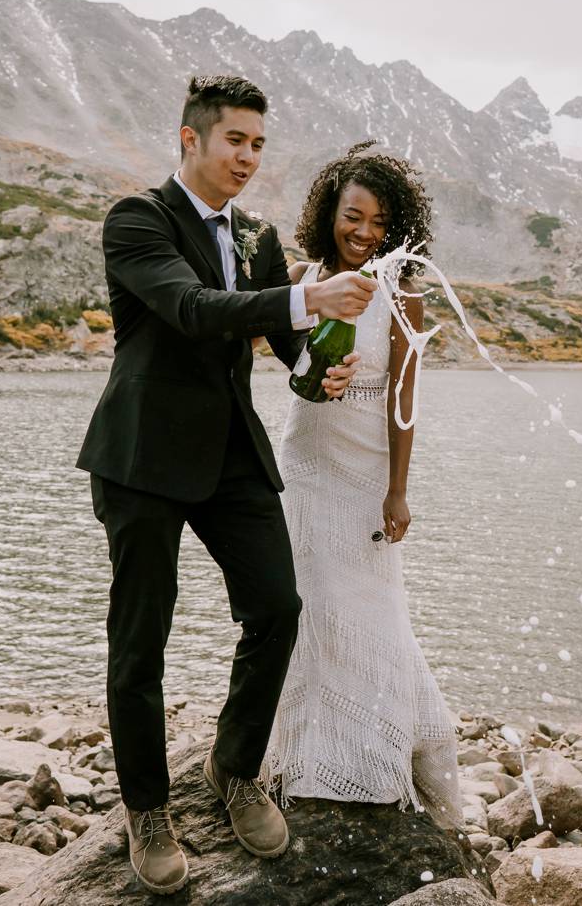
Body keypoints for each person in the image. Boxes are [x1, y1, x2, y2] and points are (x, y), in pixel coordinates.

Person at [75, 76, 378, 895]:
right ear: (190, 140)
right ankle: (146, 809)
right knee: (142, 642)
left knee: (277, 607)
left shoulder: (258, 236)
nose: (247, 157)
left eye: (258, 144)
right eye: (234, 140)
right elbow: (193, 307)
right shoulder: (137, 220)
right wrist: (303, 296)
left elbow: (289, 356)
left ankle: (233, 765)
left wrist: (325, 372)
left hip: (232, 458)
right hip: (141, 461)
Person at [265, 142, 463, 826]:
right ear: (331, 214)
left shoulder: (402, 296)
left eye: (380, 222)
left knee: (372, 612)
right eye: (354, 216)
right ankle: (307, 758)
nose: (365, 233)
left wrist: (398, 490)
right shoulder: (302, 276)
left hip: (367, 472)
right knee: (309, 606)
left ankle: (374, 762)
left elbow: (402, 405)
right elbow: (275, 354)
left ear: (396, 229)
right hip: (306, 461)